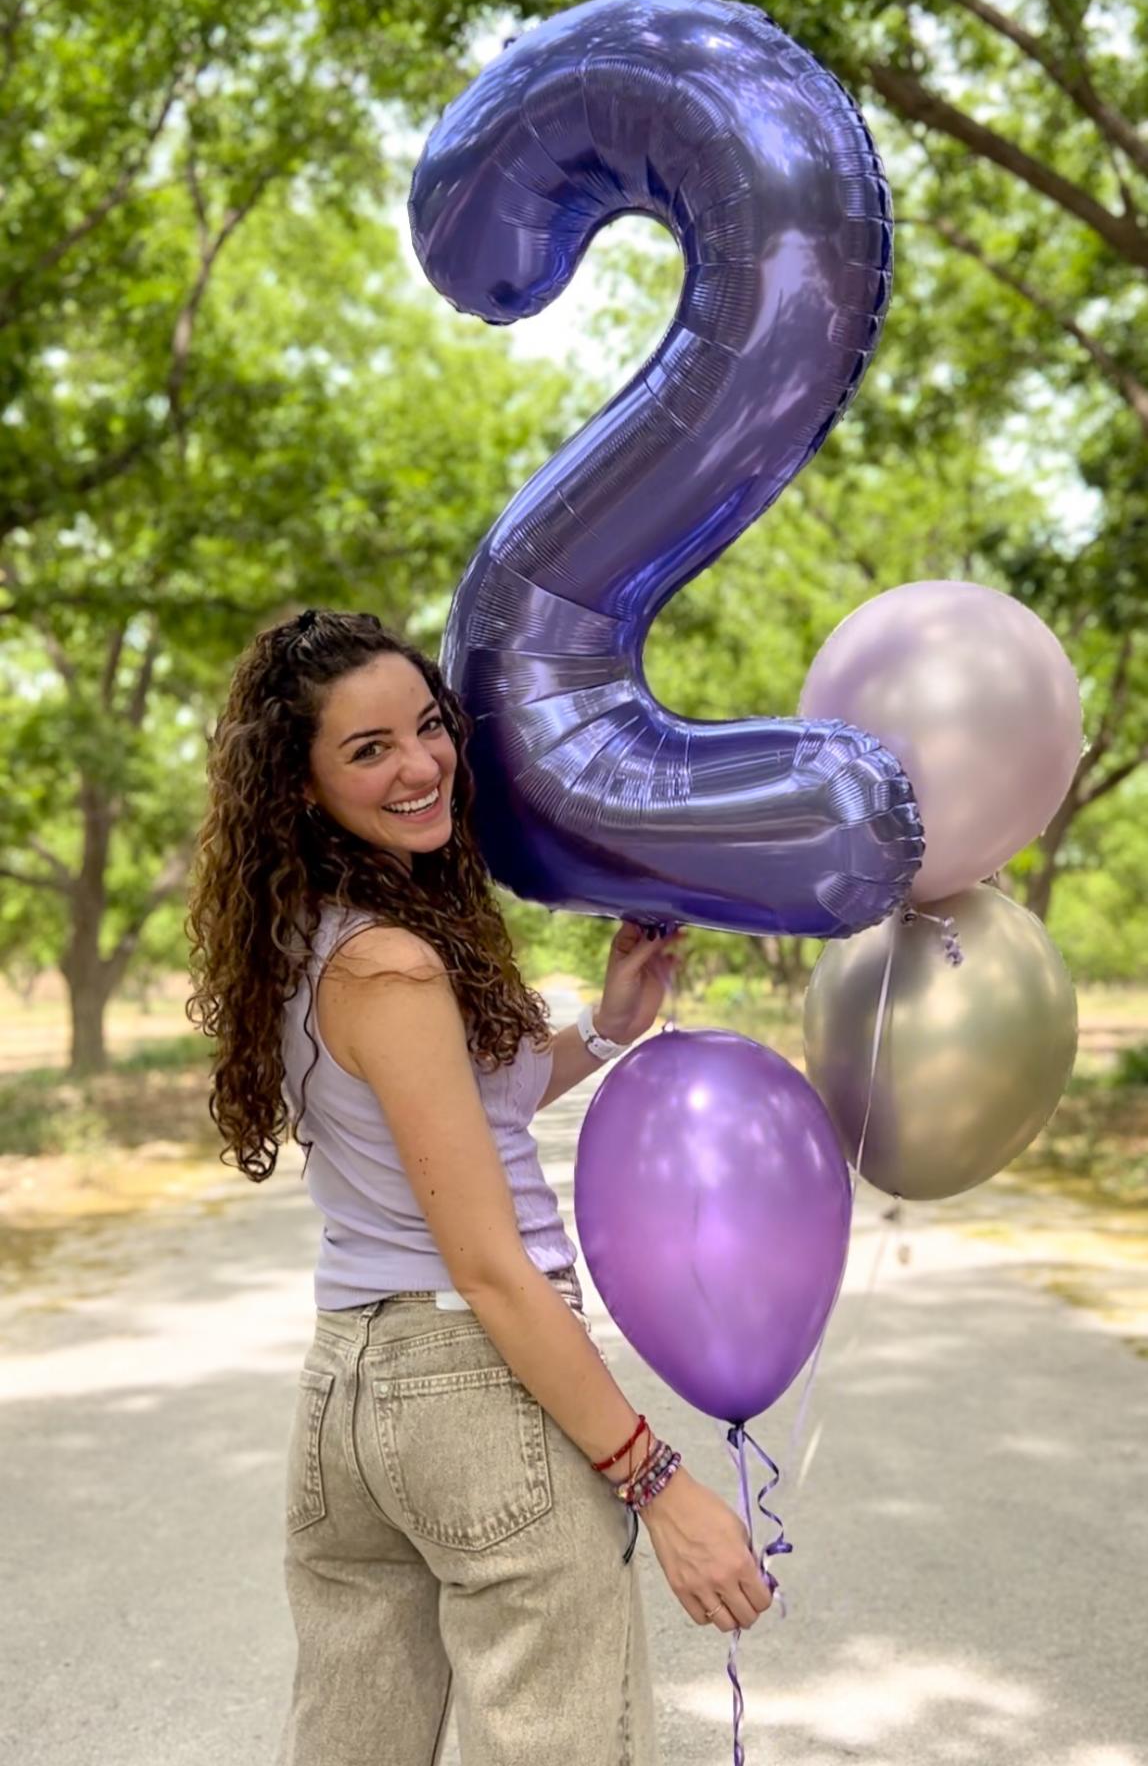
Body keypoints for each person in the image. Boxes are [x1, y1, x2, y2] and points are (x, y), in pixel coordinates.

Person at [186, 607, 773, 1766]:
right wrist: (660, 1484)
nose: (419, 764)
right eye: (367, 749)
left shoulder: (316, 933)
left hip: (350, 1391)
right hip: (468, 1384)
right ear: (300, 785)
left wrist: (605, 1029)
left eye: (426, 725)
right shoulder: (391, 962)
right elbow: (490, 1268)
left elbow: (457, 1118)